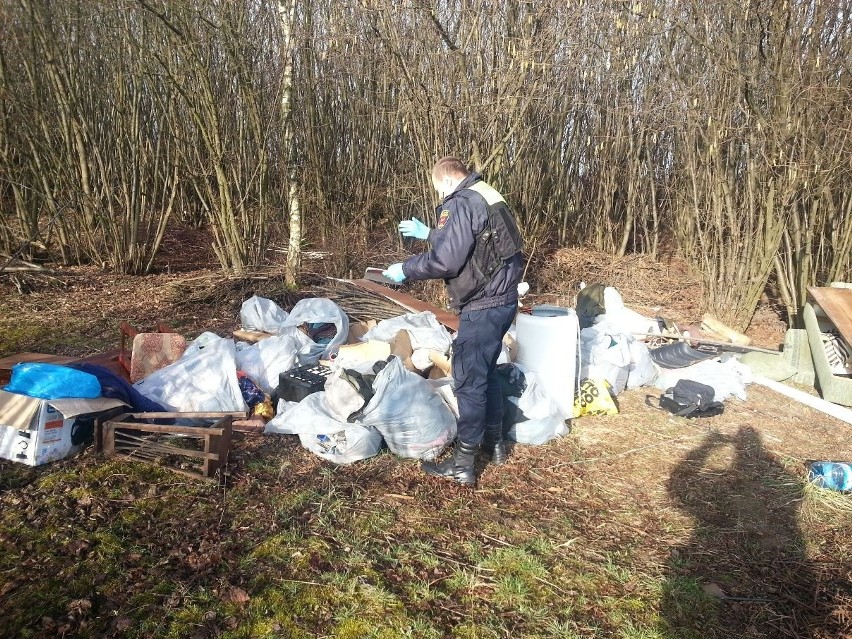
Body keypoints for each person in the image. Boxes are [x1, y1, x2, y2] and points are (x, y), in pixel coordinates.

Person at [382, 156, 523, 486]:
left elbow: (447, 259)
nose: (439, 196)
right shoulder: (487, 193)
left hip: (483, 303)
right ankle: (495, 442)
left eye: (437, 189)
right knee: (486, 371)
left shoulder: (459, 201)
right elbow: (477, 242)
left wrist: (407, 268)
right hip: (504, 299)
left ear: (445, 181)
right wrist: (430, 232)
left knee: (468, 381)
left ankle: (463, 462)